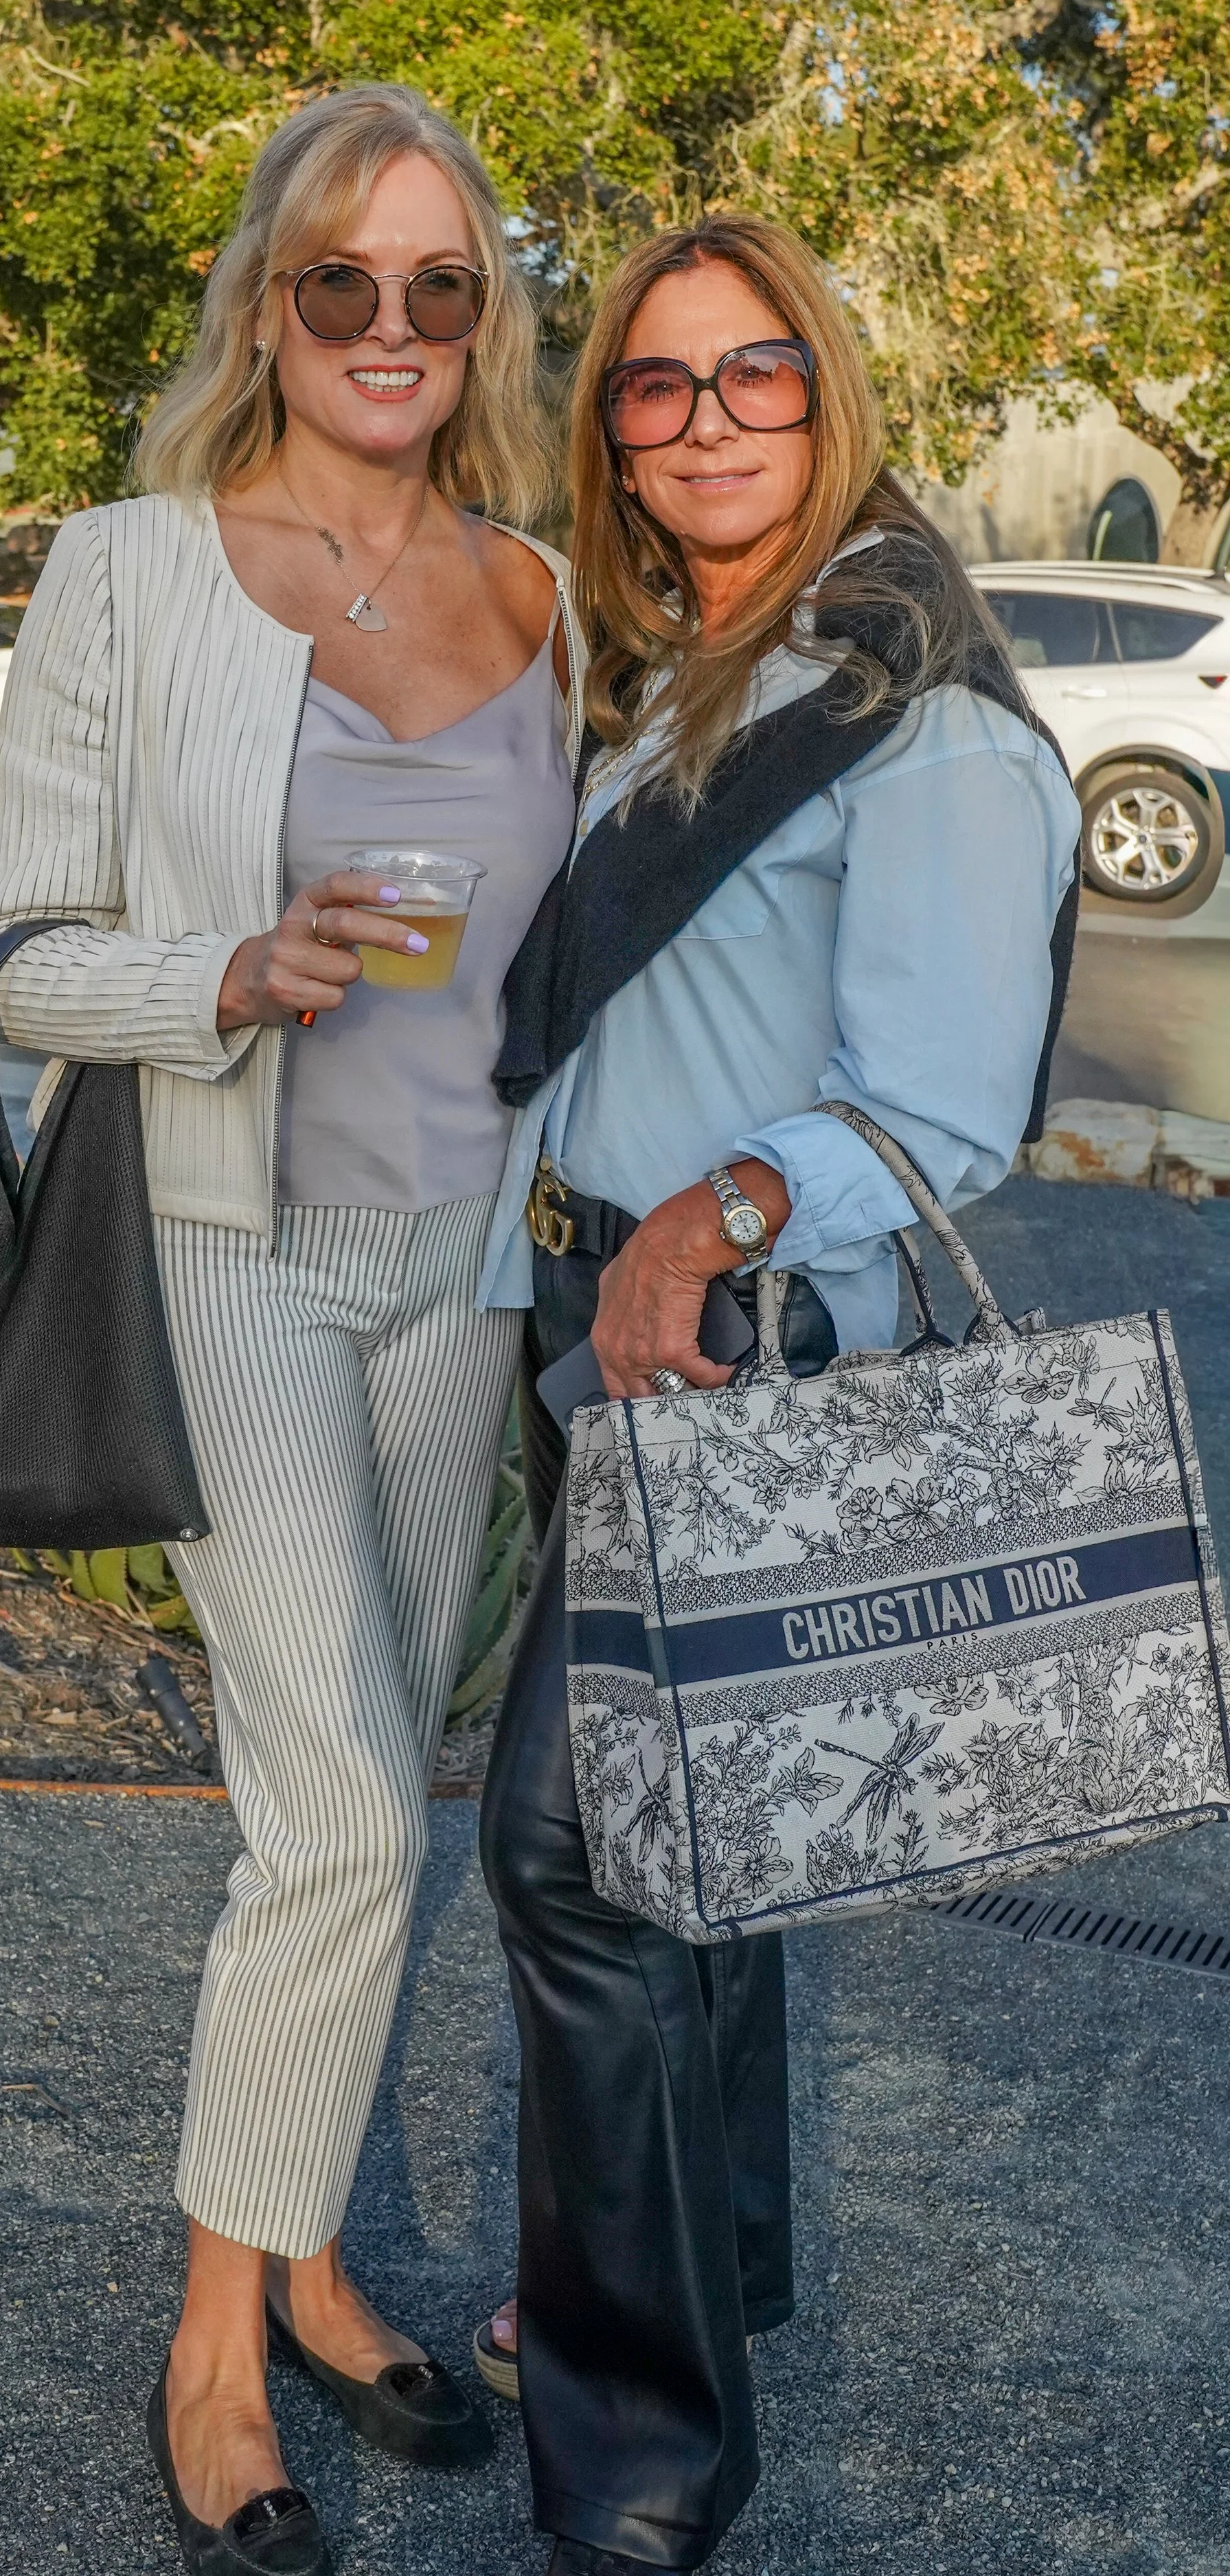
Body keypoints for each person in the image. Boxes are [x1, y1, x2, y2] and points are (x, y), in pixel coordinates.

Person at [0, 83, 582, 2576]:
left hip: (458, 1264)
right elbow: (14, 964)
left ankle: (310, 2257)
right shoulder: (125, 569)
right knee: (330, 1810)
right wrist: (222, 969)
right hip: (225, 1240)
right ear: (268, 299)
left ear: (481, 322)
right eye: (349, 282)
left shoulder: (540, 595)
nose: (395, 329)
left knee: (366, 1787)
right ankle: (214, 2350)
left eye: (444, 289)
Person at [474, 214, 1081, 2571]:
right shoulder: (687, 673)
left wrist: (703, 1214)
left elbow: (945, 1104)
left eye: (754, 376)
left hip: (727, 1350)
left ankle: (636, 2460)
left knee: (580, 1862)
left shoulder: (909, 707)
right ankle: (707, 2279)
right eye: (656, 383)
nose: (707, 418)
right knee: (694, 1863)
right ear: (610, 425)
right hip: (593, 1337)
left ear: (827, 397)